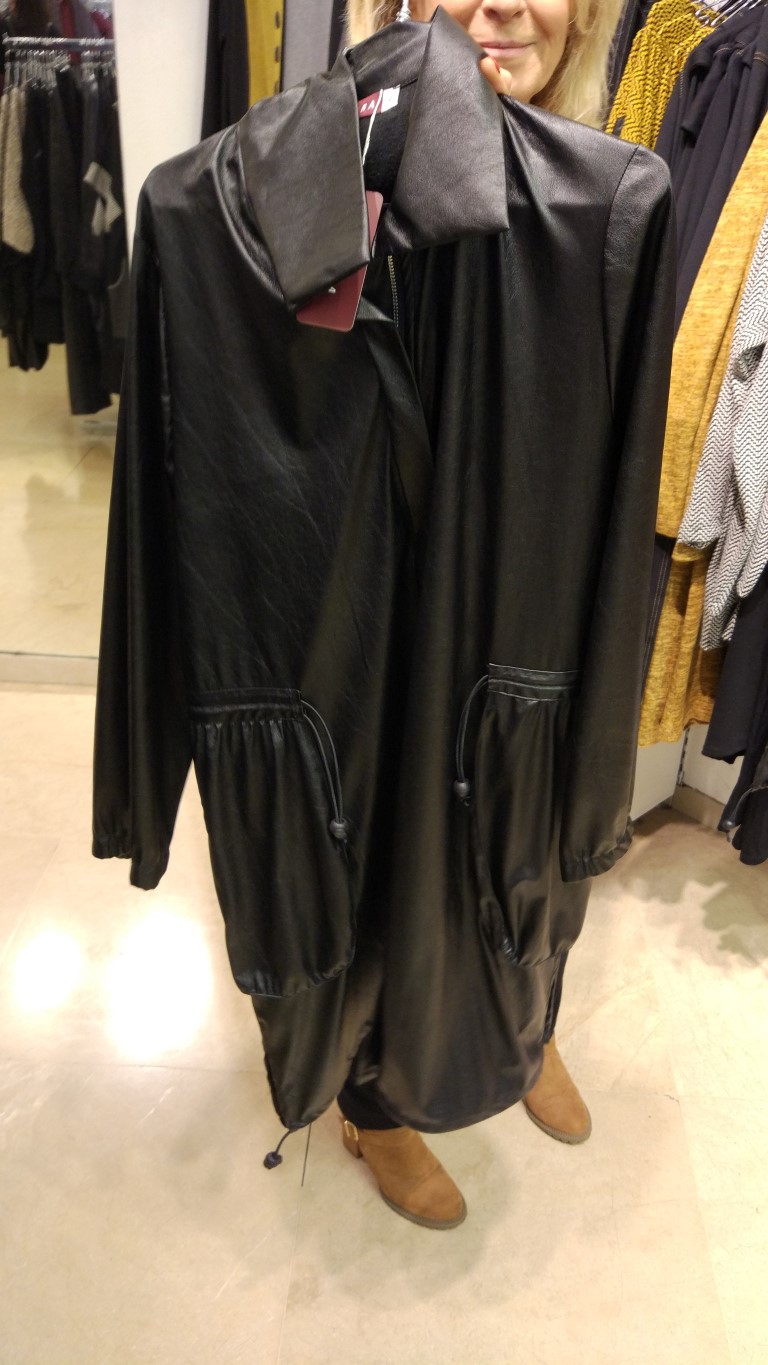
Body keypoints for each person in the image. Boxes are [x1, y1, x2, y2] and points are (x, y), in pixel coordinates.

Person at [337, 0, 624, 1230]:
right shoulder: (343, 174)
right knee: (384, 852)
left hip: (535, 599)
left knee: (535, 824)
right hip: (381, 604)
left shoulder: (618, 202)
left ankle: (522, 1022)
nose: (501, 3)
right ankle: (372, 1102)